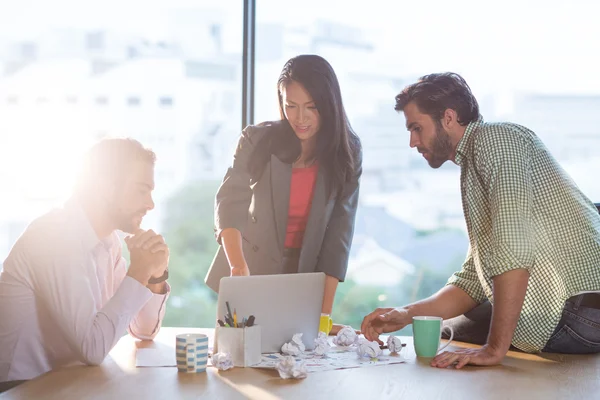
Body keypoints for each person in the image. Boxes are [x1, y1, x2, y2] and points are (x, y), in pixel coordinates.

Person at [361, 72, 600, 368]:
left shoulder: (495, 140)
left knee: (455, 335)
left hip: (581, 316)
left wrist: (493, 349)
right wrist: (405, 313)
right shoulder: (473, 164)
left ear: (448, 118)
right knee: (447, 329)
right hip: (578, 316)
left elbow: (513, 248)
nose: (412, 142)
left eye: (416, 128)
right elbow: (472, 283)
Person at [0, 138, 170, 389]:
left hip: (66, 383)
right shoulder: (55, 237)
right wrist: (138, 271)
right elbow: (92, 348)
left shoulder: (108, 241)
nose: (150, 204)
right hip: (19, 389)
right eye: (141, 190)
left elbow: (143, 331)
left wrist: (155, 276)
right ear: (104, 186)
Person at [205, 54, 362, 327]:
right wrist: (237, 267)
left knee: (300, 358)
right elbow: (229, 203)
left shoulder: (347, 152)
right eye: (291, 105)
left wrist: (323, 318)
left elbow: (339, 237)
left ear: (329, 105)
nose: (299, 118)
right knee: (243, 357)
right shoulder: (257, 140)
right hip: (246, 265)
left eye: (311, 107)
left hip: (303, 276)